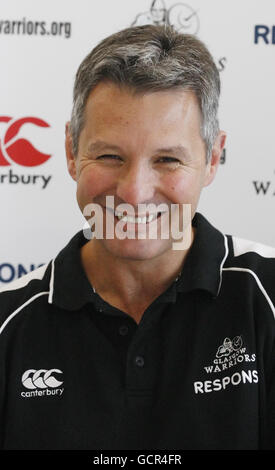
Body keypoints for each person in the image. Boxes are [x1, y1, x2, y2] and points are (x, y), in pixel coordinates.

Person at [0, 24, 274, 451]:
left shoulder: (266, 299)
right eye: (110, 156)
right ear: (72, 152)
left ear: (213, 159)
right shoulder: (8, 324)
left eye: (167, 159)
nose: (133, 192)